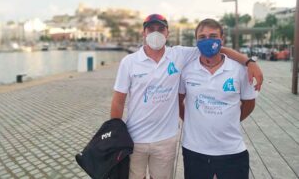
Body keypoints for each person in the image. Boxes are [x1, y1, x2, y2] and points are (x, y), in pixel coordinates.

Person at [110, 14, 262, 179]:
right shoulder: (129, 62)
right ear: (143, 33)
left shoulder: (179, 55)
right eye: (151, 29)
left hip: (165, 140)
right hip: (134, 138)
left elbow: (216, 48)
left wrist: (249, 62)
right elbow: (118, 101)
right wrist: (115, 136)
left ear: (167, 33)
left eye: (161, 29)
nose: (156, 33)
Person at [179, 18, 256, 179]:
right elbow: (179, 101)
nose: (207, 40)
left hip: (232, 150)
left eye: (213, 35)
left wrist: (232, 119)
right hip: (194, 150)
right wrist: (195, 121)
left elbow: (249, 102)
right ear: (196, 41)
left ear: (222, 39)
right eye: (202, 37)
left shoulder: (240, 70)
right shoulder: (187, 70)